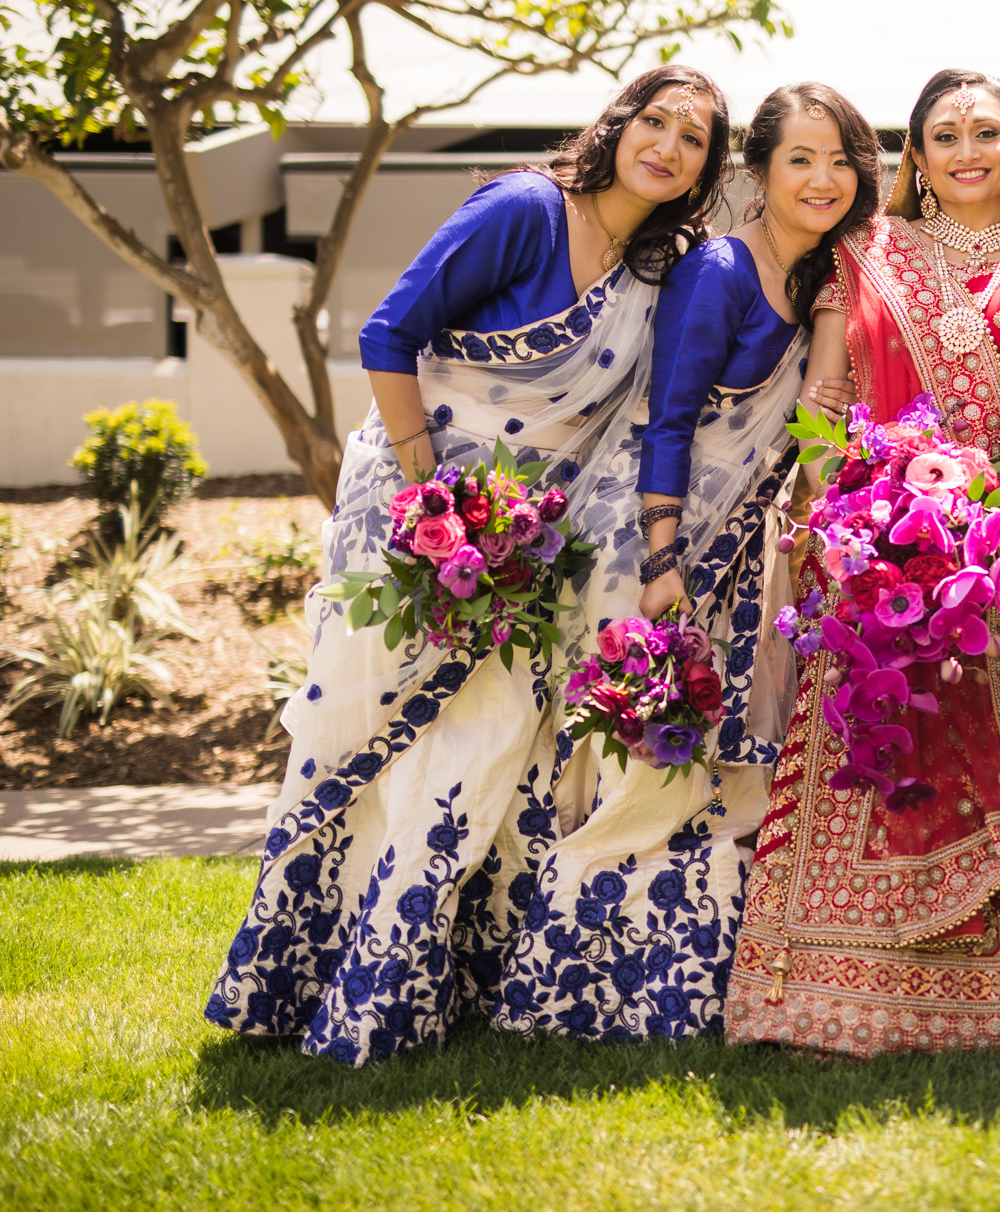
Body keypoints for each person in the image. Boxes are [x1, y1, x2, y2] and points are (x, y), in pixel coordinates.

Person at [205, 67, 731, 1065]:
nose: (667, 146)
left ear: (705, 167)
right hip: (419, 526)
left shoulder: (658, 267)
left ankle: (423, 979)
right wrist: (435, 503)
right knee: (376, 748)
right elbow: (386, 335)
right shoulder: (526, 209)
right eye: (655, 122)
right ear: (618, 125)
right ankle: (318, 979)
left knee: (483, 750)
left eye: (694, 139)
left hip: (530, 552)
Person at [724, 69, 1000, 1057]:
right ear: (917, 156)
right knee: (871, 746)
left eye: (987, 131)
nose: (967, 148)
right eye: (945, 134)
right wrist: (833, 510)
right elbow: (827, 392)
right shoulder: (866, 255)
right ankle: (829, 988)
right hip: (876, 552)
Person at [491, 84, 875, 1041]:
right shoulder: (720, 270)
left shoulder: (821, 280)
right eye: (801, 159)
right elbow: (666, 419)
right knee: (627, 759)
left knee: (693, 768)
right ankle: (563, 989)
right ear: (757, 171)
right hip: (648, 550)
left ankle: (662, 986)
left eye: (841, 161)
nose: (823, 179)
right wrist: (663, 558)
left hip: (734, 553)